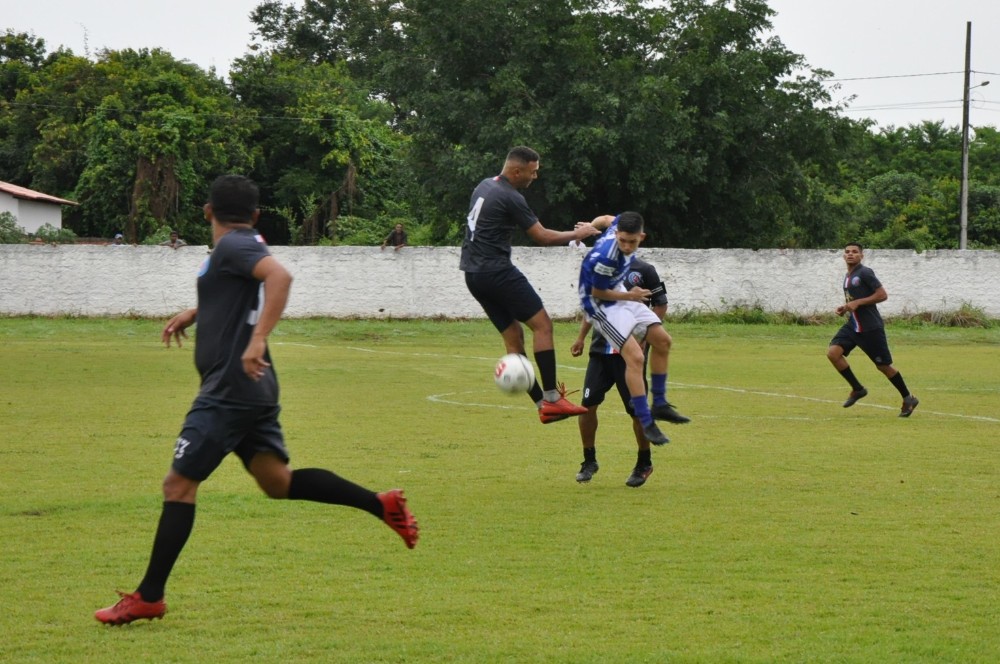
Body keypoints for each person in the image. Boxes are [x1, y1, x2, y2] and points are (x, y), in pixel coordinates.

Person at [95, 175, 418, 626]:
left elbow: (280, 276)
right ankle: (379, 504)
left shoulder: (233, 244)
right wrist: (197, 312)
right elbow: (240, 292)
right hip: (253, 388)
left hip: (229, 389)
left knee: (178, 486)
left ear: (208, 211)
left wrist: (258, 338)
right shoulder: (243, 244)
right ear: (256, 214)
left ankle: (149, 596)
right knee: (277, 482)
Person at [460, 145, 600, 424]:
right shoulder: (511, 196)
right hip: (497, 271)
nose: (534, 177)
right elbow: (543, 237)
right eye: (532, 172)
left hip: (473, 274)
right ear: (516, 171)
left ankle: (541, 404)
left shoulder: (485, 185)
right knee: (543, 325)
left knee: (513, 337)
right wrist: (579, 233)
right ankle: (552, 399)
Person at [571, 256, 689, 487]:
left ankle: (644, 463)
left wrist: (645, 334)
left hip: (629, 356)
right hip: (600, 352)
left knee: (636, 412)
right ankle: (589, 461)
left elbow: (660, 304)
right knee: (587, 406)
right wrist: (581, 338)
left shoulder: (645, 270)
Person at [578, 212, 678, 447]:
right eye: (622, 241)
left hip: (620, 297)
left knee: (663, 341)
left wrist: (590, 226)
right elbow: (596, 294)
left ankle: (659, 406)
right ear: (616, 236)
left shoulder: (621, 229)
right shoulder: (606, 259)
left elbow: (606, 218)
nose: (626, 246)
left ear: (641, 237)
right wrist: (631, 296)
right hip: (600, 311)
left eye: (631, 241)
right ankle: (646, 418)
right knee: (634, 358)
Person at [827, 242, 918, 417]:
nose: (850, 254)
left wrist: (858, 303)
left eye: (855, 252)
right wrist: (846, 308)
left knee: (883, 366)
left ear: (862, 255)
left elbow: (882, 295)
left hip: (870, 328)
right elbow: (855, 300)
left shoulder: (865, 272)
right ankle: (857, 389)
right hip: (853, 325)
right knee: (833, 353)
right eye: (847, 252)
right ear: (843, 255)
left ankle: (908, 398)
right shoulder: (848, 276)